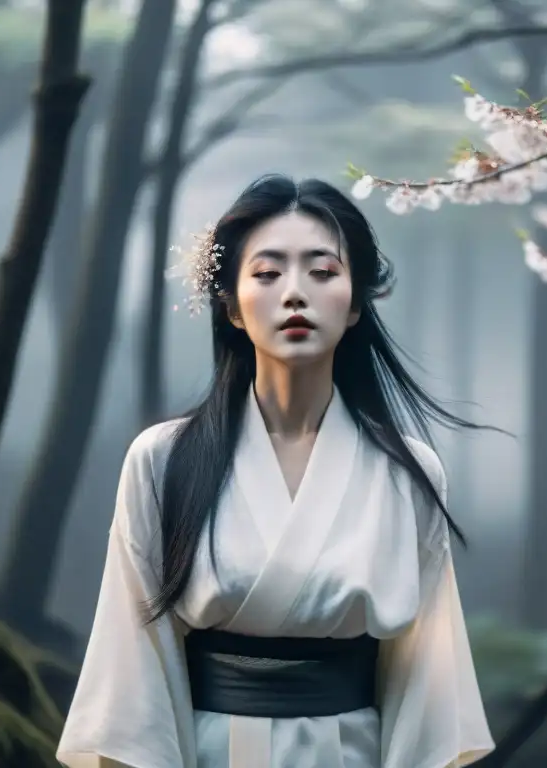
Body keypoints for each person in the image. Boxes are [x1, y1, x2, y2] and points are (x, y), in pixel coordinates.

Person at [55, 174, 495, 768]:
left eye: (322, 271)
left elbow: (426, 683)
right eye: (267, 274)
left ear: (357, 301)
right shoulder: (163, 459)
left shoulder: (408, 470)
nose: (295, 293)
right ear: (232, 306)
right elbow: (134, 666)